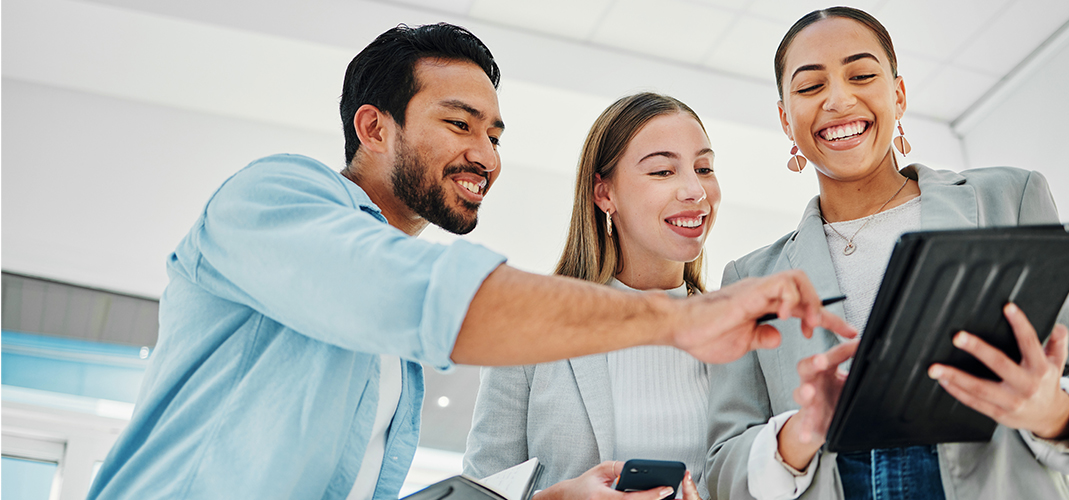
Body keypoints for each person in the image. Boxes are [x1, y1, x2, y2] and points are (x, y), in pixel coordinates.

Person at [86, 23, 855, 500]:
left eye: (494, 133)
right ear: (374, 127)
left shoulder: (387, 360)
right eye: (459, 123)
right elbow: (422, 298)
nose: (483, 154)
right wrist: (677, 320)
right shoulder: (273, 198)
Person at [705, 8, 1069, 500]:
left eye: (861, 75)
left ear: (899, 94)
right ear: (785, 119)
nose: (839, 100)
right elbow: (722, 472)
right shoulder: (750, 280)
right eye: (809, 87)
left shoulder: (1008, 199)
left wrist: (1049, 409)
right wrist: (801, 431)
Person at [464, 93, 749, 500]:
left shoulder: (738, 335)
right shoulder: (531, 327)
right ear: (605, 194)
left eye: (704, 168)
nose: (695, 190)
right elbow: (482, 491)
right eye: (663, 171)